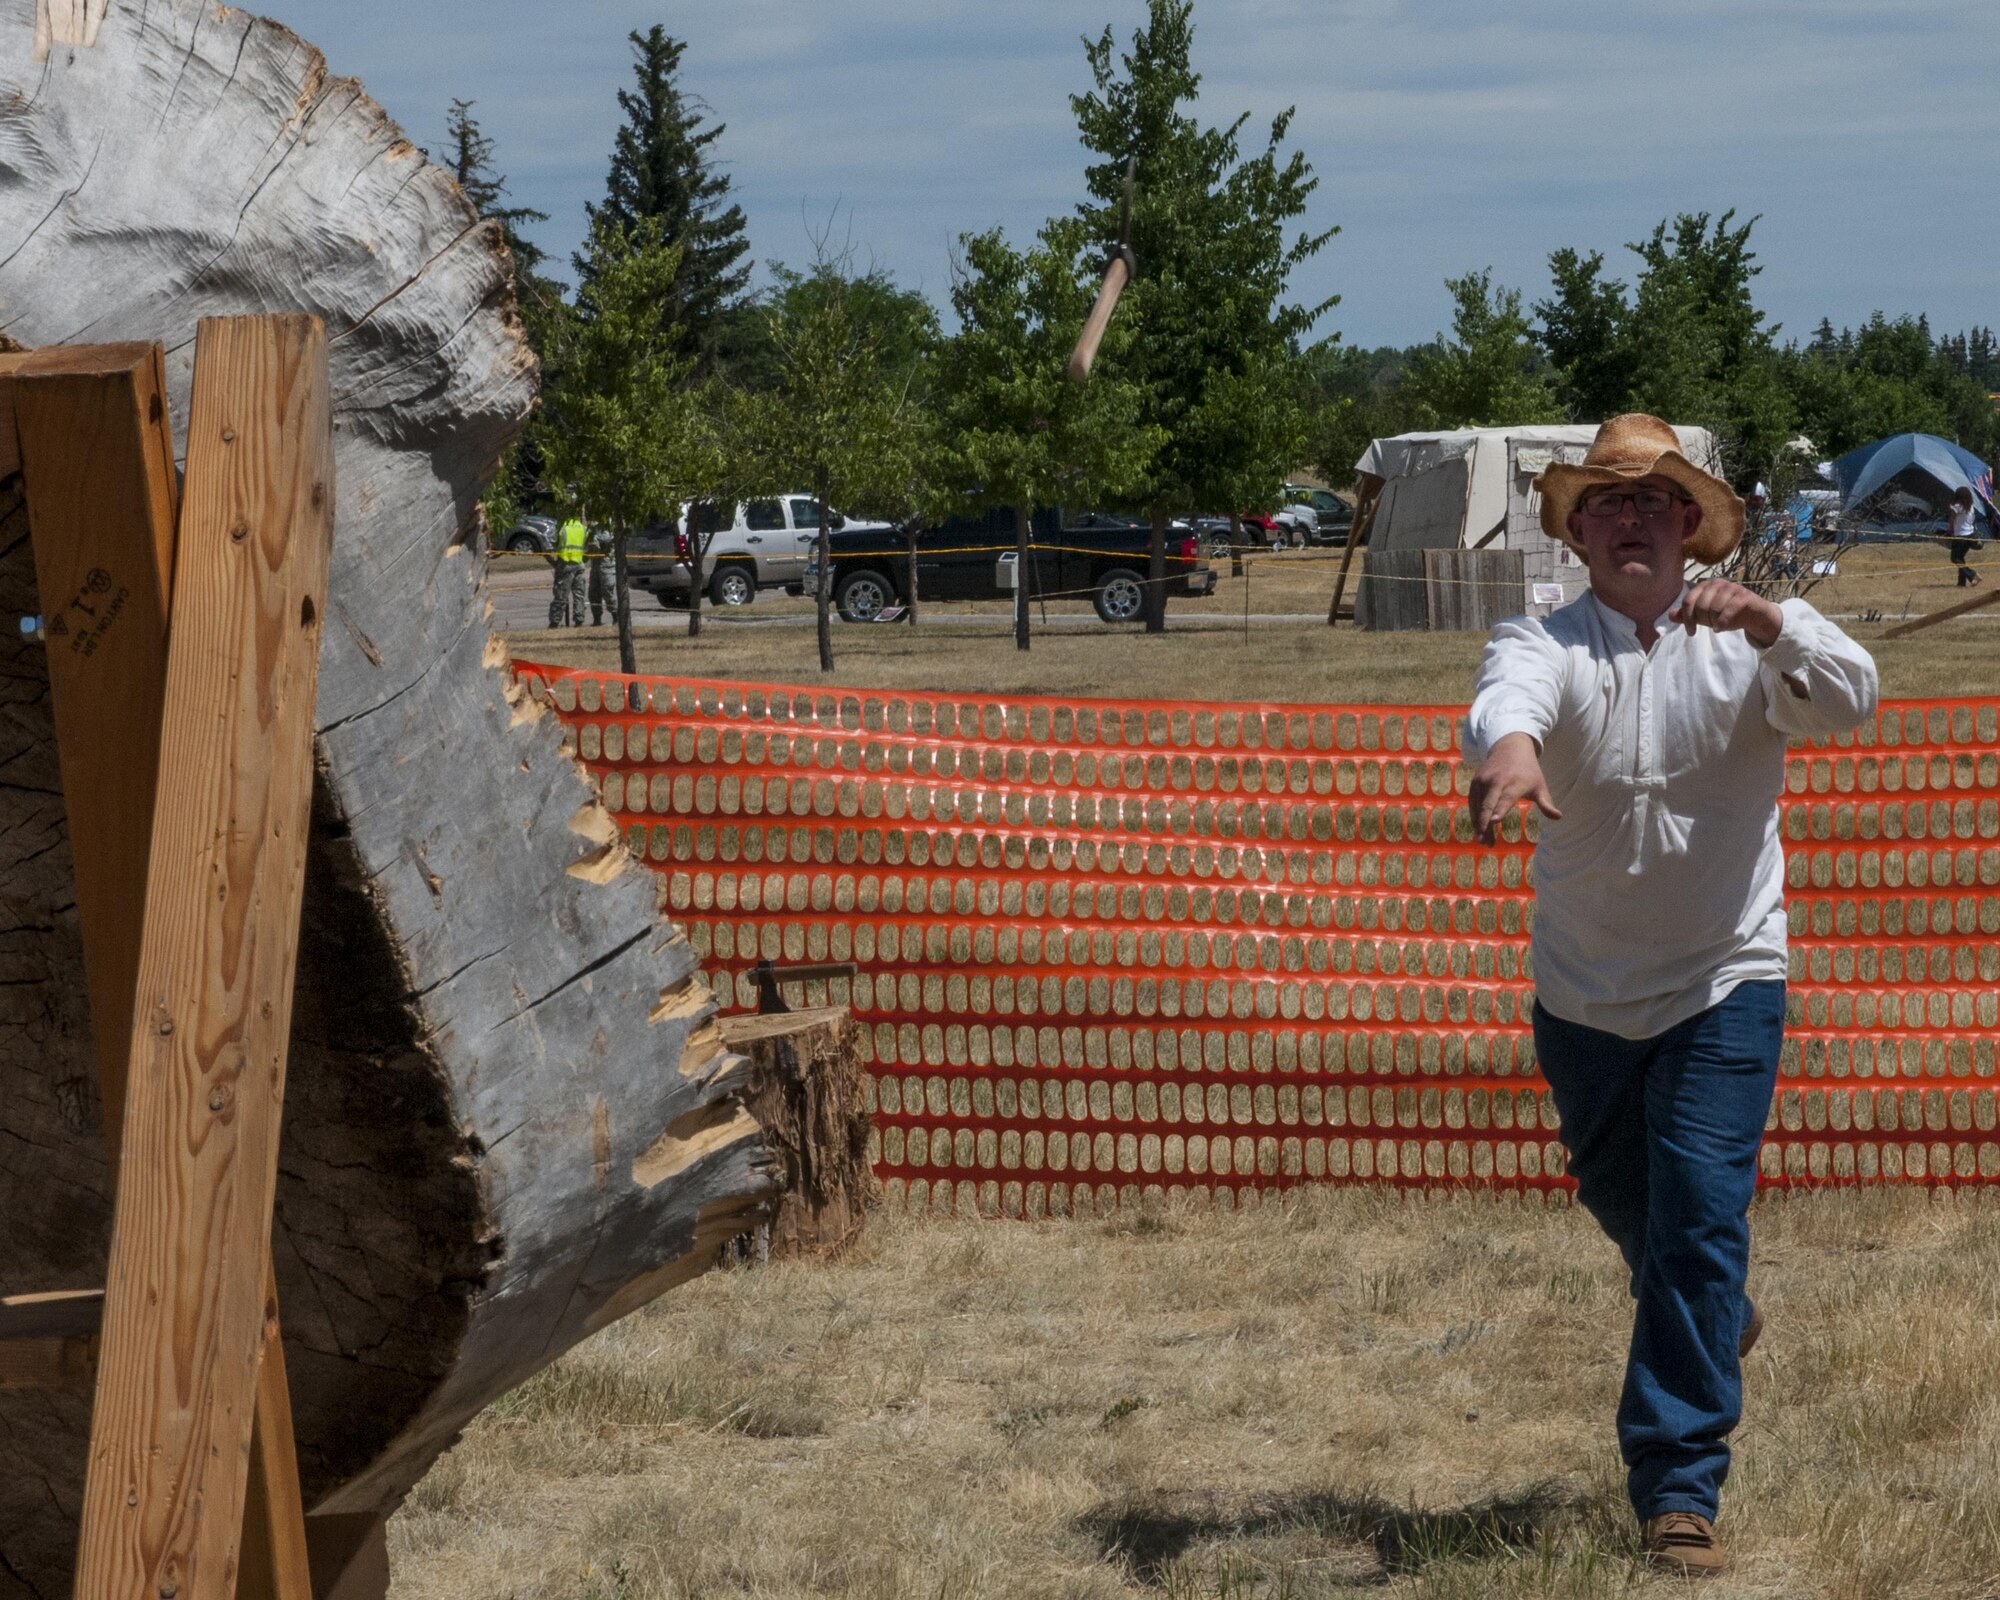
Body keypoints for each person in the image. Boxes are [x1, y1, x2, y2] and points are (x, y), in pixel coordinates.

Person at [1463, 414, 1878, 1578]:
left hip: (1723, 976)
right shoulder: (1542, 639)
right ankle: (1711, 1307)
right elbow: (1510, 694)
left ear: (1690, 526)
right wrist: (1507, 752)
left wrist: (1773, 619)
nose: (1630, 519)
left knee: (1696, 1218)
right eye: (1606, 503)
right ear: (1578, 532)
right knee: (1625, 1200)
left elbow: (1850, 695)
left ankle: (1676, 1483)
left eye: (1654, 502)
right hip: (1580, 990)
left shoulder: (1749, 640)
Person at [548, 512, 587, 628]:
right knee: (579, 594)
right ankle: (579, 620)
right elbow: (588, 547)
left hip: (565, 564)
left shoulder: (561, 527)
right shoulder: (582, 527)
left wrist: (554, 563)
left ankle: (555, 622)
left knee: (561, 594)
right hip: (579, 564)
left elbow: (547, 547)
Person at [1945, 486, 1980, 587]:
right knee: (1960, 558)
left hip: (1960, 536)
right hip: (1970, 535)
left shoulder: (1957, 506)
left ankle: (1973, 575)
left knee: (1955, 558)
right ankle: (1961, 583)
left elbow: (1951, 520)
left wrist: (1949, 531)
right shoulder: (1971, 506)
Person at [587, 526, 612, 625]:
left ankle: (616, 616)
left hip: (606, 566)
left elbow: (606, 541)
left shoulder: (607, 526)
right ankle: (597, 619)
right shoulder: (592, 529)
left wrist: (594, 540)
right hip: (595, 566)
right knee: (593, 594)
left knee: (608, 592)